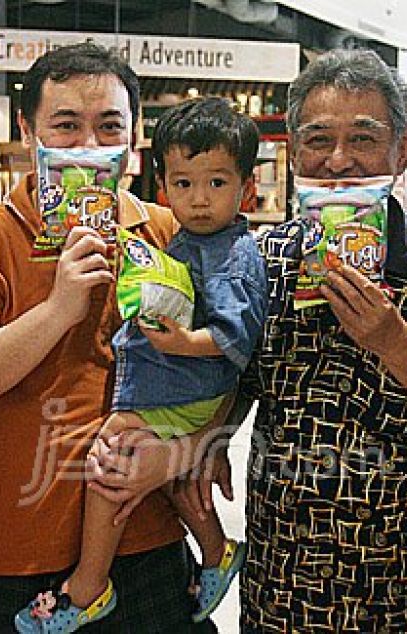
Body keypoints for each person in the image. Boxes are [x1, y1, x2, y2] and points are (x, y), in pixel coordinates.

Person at [101, 49, 407, 632]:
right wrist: (192, 447)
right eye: (319, 139)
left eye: (365, 139)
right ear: (295, 154)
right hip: (283, 588)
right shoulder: (263, 260)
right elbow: (232, 377)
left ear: (403, 149)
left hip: (406, 590)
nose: (340, 160)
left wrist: (394, 340)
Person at [0, 43, 216, 632]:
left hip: (147, 542)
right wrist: (56, 311)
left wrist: (178, 454)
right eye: (66, 126)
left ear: (134, 142)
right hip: (14, 557)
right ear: (28, 131)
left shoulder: (169, 231)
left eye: (109, 128)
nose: (88, 148)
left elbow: (226, 365)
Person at [15, 96, 267, 633]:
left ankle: (87, 586)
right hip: (172, 385)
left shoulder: (232, 254)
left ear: (247, 188)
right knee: (169, 475)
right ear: (163, 187)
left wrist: (181, 343)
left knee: (112, 458)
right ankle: (218, 553)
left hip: (184, 387)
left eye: (216, 184)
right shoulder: (188, 237)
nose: (199, 200)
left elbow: (235, 339)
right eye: (184, 184)